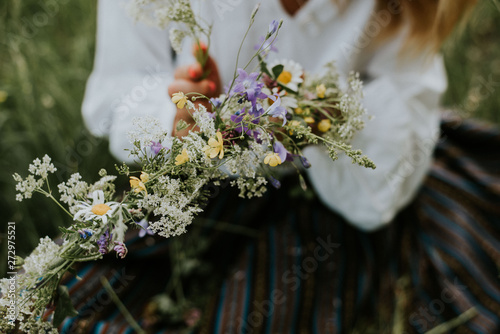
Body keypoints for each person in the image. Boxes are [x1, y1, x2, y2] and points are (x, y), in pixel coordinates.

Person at [61, 0, 500, 333]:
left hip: (332, 185)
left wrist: (325, 116)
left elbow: (383, 176)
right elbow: (115, 94)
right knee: (67, 297)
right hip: (194, 181)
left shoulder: (403, 12)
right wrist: (171, 114)